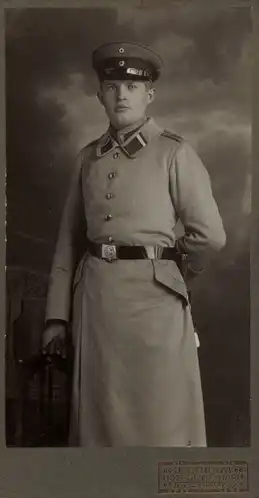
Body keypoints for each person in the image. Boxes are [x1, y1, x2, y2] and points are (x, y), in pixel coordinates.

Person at [42, 41, 226, 447]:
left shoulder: (174, 153)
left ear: (149, 95)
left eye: (130, 85)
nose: (121, 94)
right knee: (97, 430)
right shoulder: (87, 159)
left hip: (155, 310)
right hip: (96, 310)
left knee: (161, 424)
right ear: (100, 95)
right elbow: (67, 244)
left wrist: (177, 273)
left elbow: (209, 236)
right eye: (112, 85)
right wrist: (57, 317)